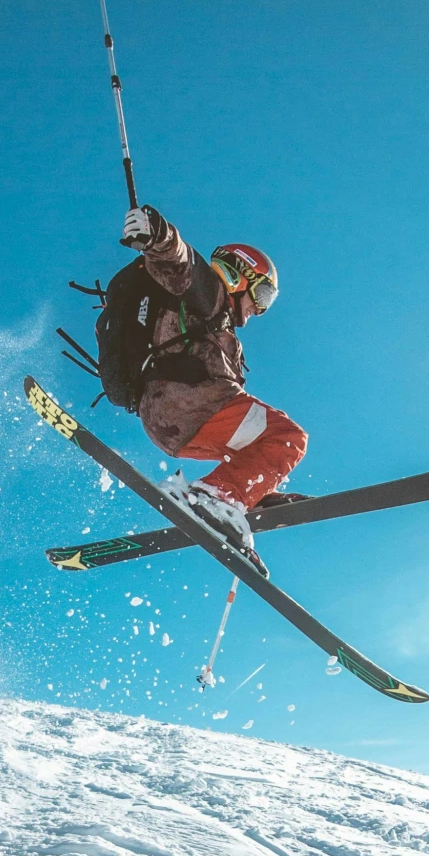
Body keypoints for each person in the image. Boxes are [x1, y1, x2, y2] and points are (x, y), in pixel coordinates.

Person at [121, 204, 307, 577]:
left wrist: (261, 487)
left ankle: (243, 493)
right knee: (288, 436)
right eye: (264, 295)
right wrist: (157, 233)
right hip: (191, 403)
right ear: (240, 274)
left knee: (258, 444)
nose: (259, 310)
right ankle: (218, 496)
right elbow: (179, 262)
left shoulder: (224, 332)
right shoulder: (208, 293)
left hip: (172, 421)